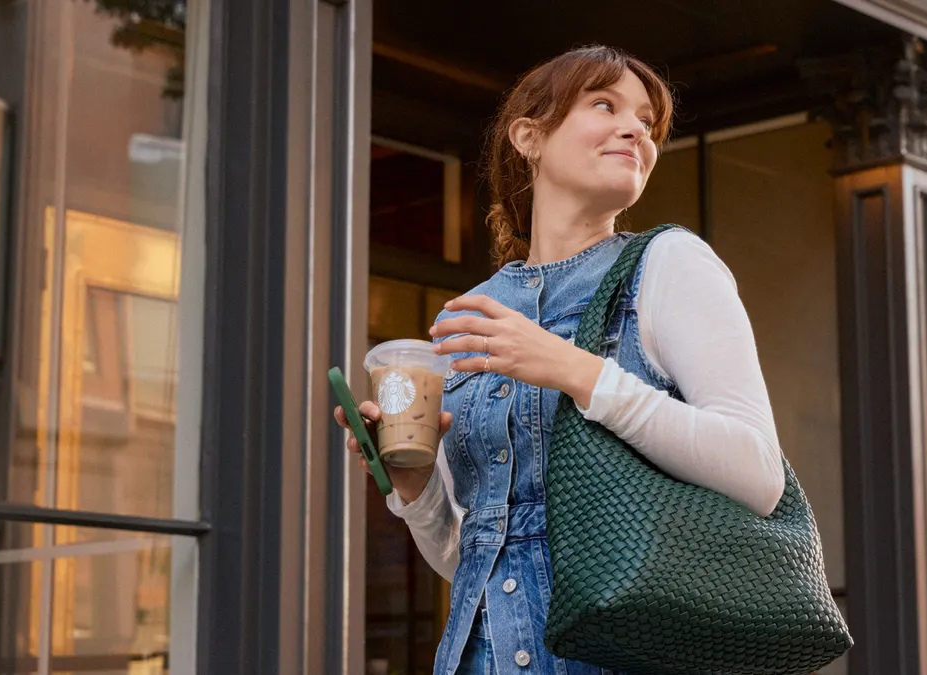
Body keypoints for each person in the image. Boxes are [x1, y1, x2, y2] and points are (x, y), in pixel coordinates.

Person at [334, 45, 785, 675]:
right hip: (481, 654)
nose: (637, 131)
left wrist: (572, 368)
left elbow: (760, 475)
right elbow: (476, 558)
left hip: (627, 655)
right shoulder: (469, 317)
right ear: (529, 137)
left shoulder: (669, 264)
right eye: (605, 104)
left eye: (648, 123)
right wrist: (414, 487)